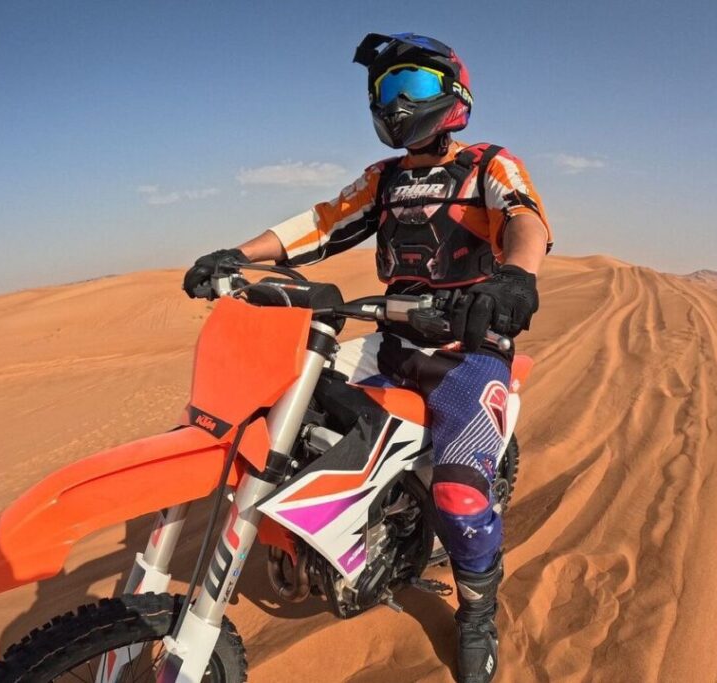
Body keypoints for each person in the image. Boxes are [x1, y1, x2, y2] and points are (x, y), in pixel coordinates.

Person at [182, 32, 551, 683]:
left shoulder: (488, 164)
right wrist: (238, 255)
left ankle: (477, 610)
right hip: (390, 339)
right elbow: (321, 223)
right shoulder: (383, 181)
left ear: (454, 93)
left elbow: (525, 217)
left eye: (414, 87)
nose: (399, 103)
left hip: (469, 351)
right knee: (284, 413)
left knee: (463, 497)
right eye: (387, 91)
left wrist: (515, 279)